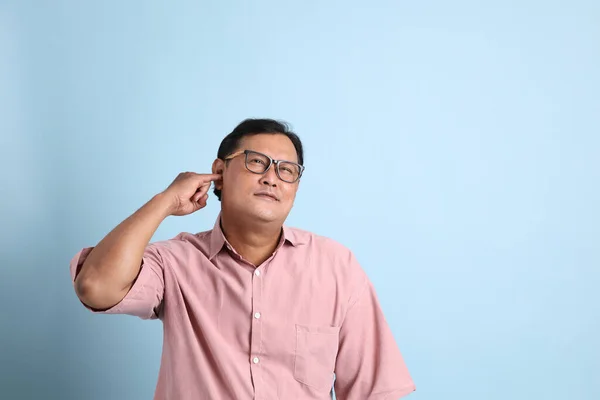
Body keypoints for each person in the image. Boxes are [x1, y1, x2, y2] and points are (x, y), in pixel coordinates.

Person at [70, 118, 416, 400]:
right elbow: (96, 287)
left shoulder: (336, 267)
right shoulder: (175, 263)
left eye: (287, 170)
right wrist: (165, 201)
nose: (271, 178)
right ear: (219, 171)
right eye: (256, 162)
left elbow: (375, 391)